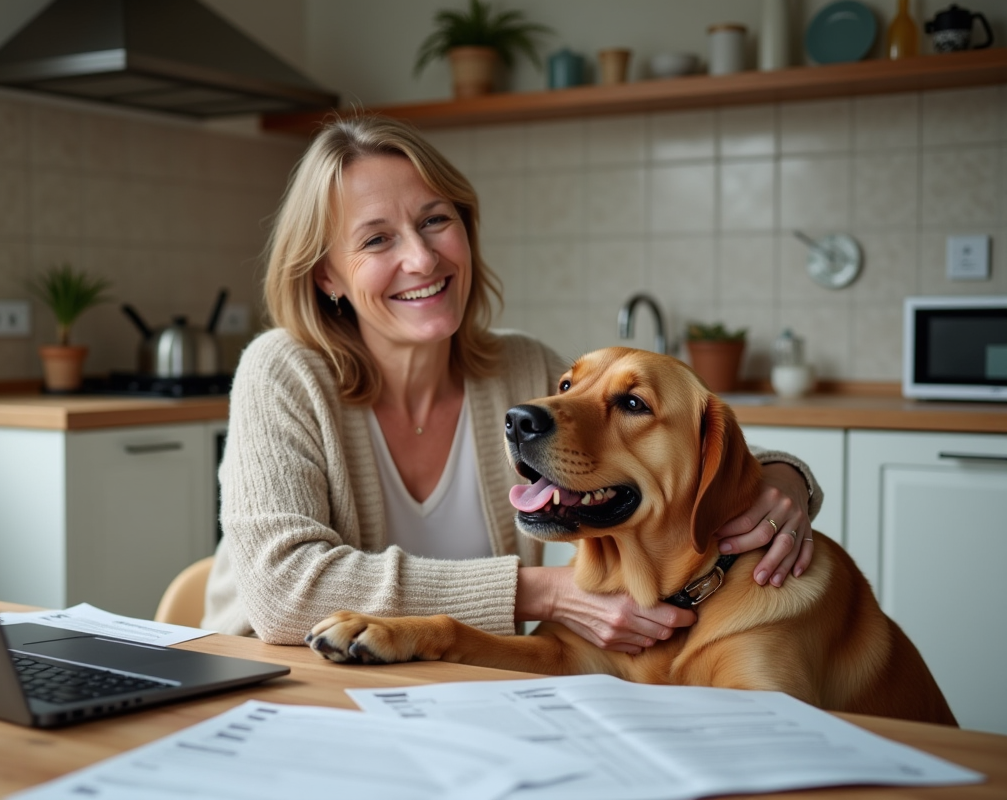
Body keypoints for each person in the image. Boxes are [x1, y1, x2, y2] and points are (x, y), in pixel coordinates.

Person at [203, 114, 822, 654]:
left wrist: (783, 479)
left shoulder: (523, 370)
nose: (421, 258)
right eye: (376, 240)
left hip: (448, 691)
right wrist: (546, 594)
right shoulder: (282, 370)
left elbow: (680, 445)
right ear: (326, 277)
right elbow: (284, 590)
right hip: (276, 685)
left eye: (435, 220)